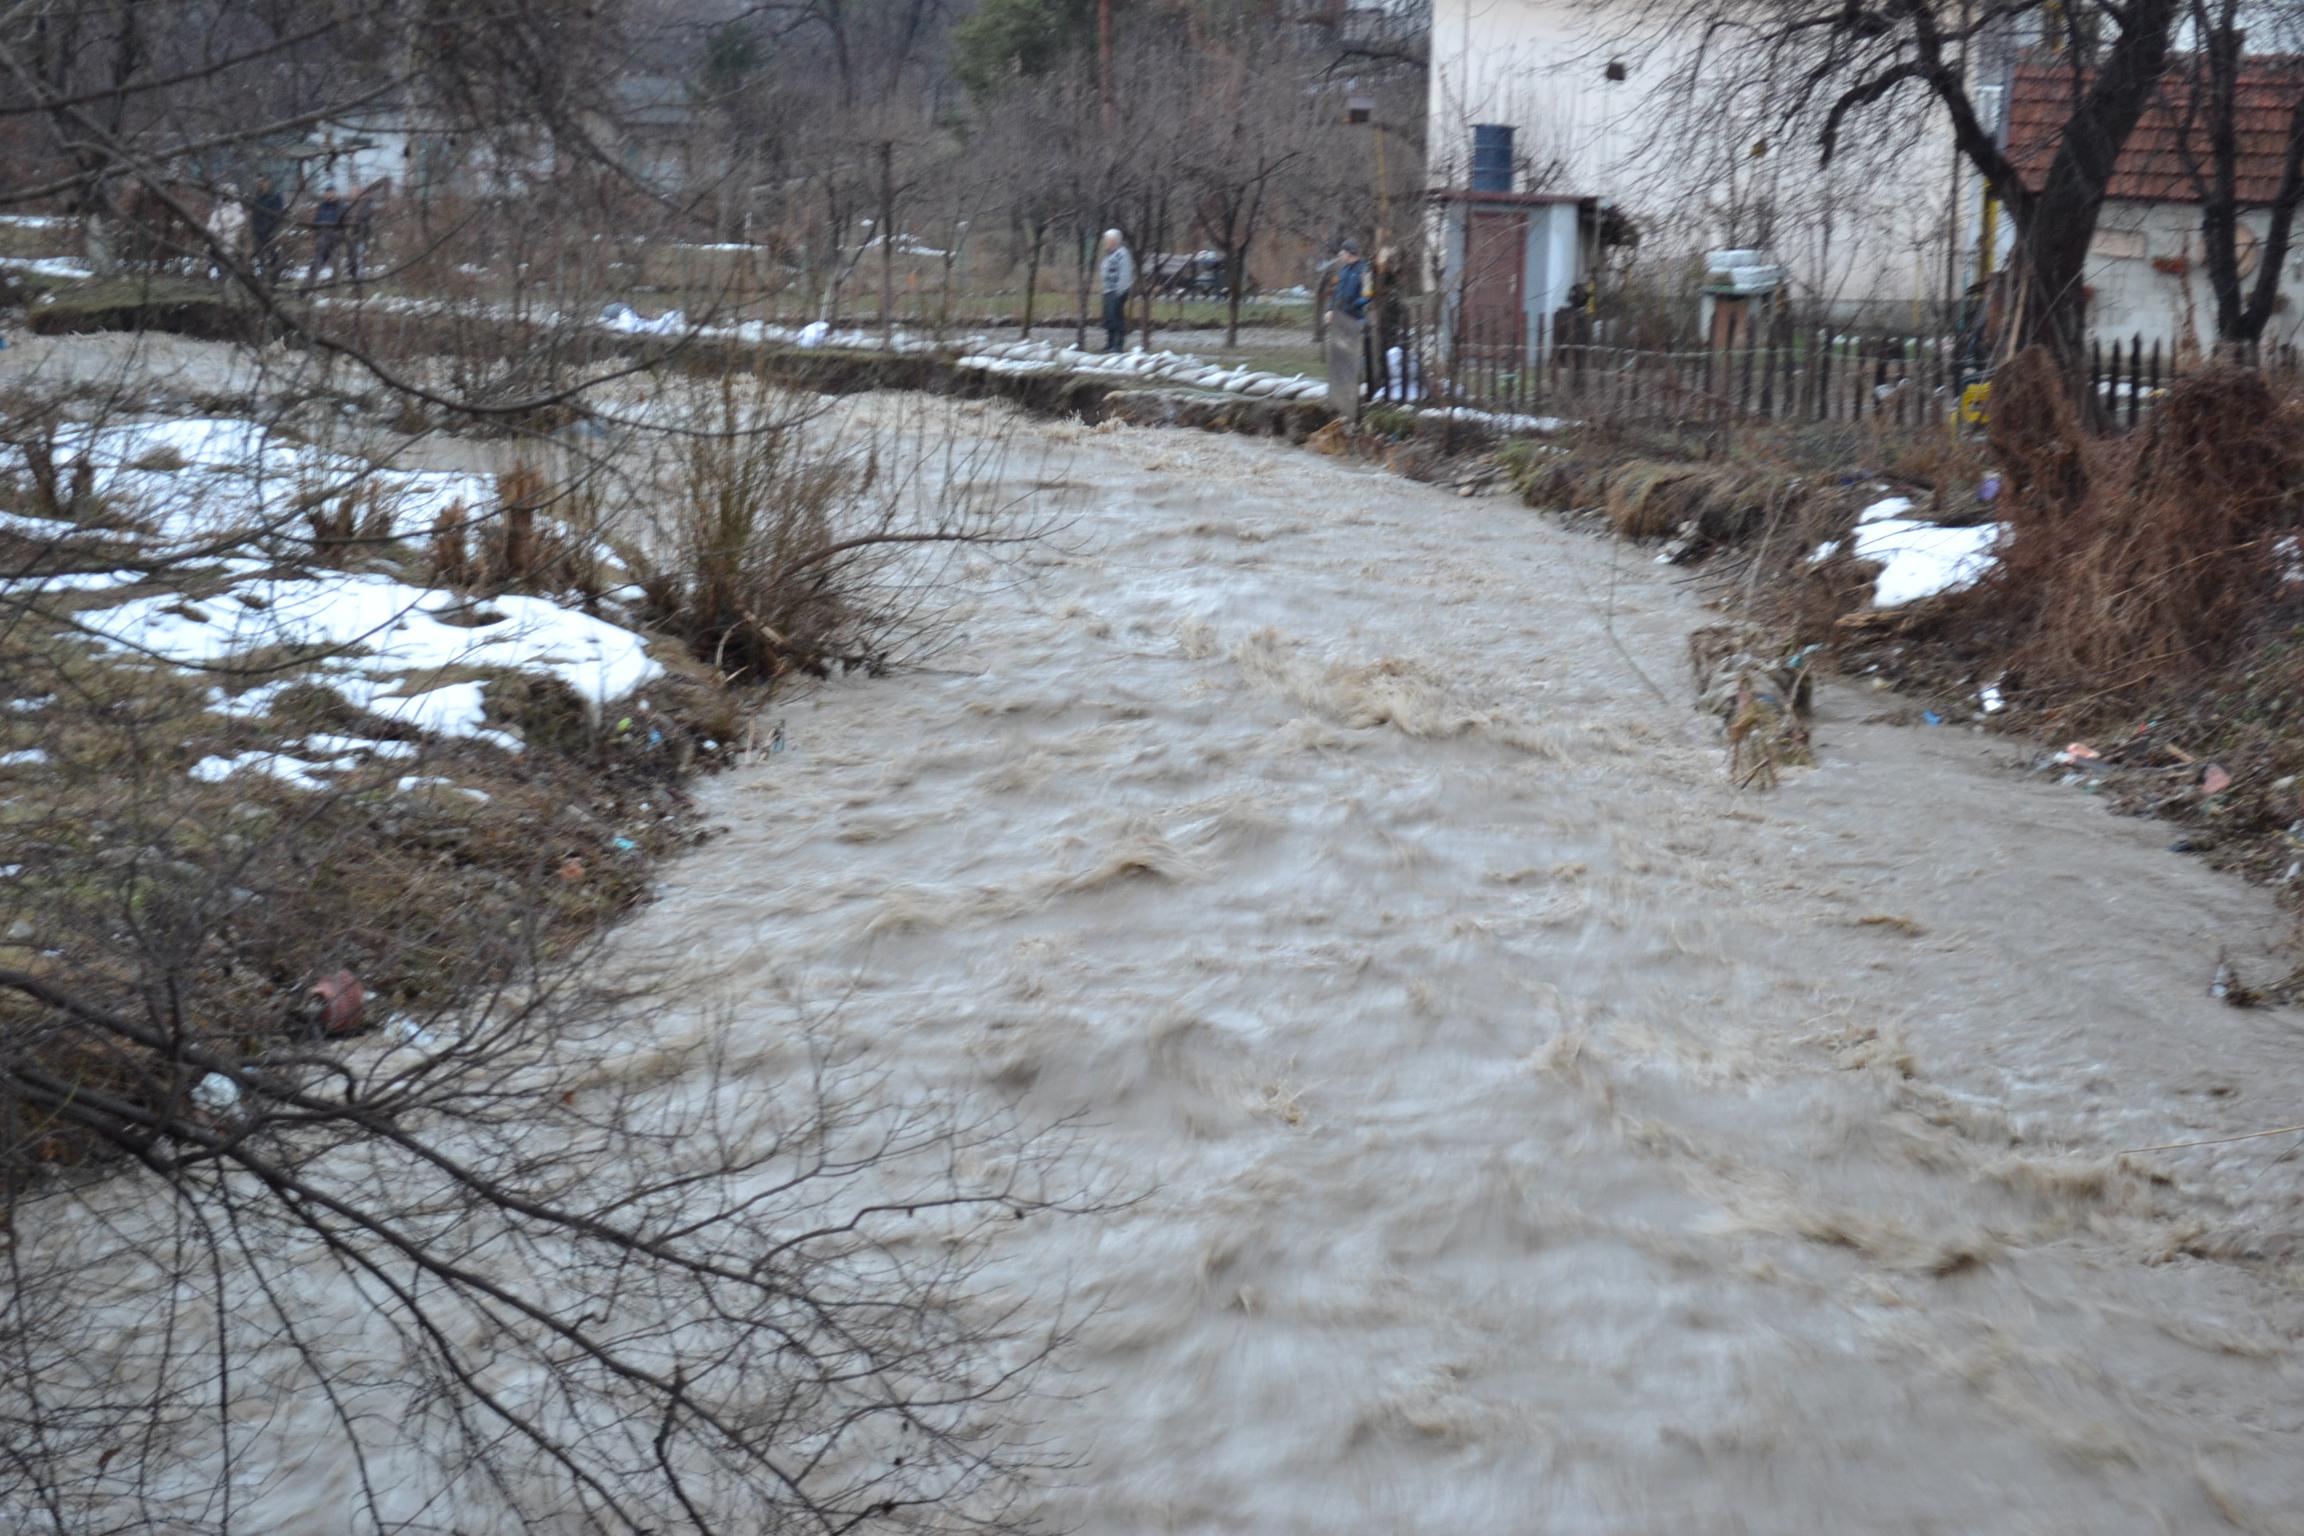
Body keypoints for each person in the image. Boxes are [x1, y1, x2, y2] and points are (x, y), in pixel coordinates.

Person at [1325, 237, 1370, 421]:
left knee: (1353, 356)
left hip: (1354, 319)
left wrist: (1353, 307)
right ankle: (1339, 394)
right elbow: (1334, 293)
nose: (1340, 255)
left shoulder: (1364, 271)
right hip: (1339, 320)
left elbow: (1368, 295)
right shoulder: (1341, 271)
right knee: (1340, 356)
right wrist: (1330, 310)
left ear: (1350, 253)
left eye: (1342, 252)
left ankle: (1355, 393)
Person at [304, 184, 348, 292]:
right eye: (327, 193)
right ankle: (305, 290)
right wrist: (315, 235)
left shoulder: (341, 206)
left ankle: (335, 293)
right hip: (322, 241)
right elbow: (316, 222)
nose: (328, 195)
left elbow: (345, 223)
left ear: (335, 193)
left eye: (331, 192)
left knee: (336, 267)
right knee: (315, 266)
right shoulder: (322, 206)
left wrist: (339, 235)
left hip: (335, 241)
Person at [1099, 228, 1134, 353]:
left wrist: (1119, 292)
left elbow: (1125, 274)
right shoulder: (1110, 254)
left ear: (1114, 241)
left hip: (1117, 291)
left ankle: (1118, 345)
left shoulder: (1122, 254)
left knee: (1116, 318)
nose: (1105, 243)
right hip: (1108, 291)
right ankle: (1109, 344)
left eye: (1107, 240)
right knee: (1108, 318)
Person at [204, 185, 248, 280]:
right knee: (211, 249)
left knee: (228, 249)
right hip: (218, 237)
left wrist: (229, 227)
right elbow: (211, 224)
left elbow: (241, 219)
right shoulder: (218, 208)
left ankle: (230, 274)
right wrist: (216, 231)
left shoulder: (236, 207)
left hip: (231, 237)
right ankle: (214, 275)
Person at [250, 176, 286, 282]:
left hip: (271, 230)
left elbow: (277, 214)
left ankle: (274, 278)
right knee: (260, 256)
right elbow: (254, 215)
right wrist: (255, 227)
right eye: (261, 183)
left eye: (265, 182)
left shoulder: (276, 197)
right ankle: (262, 278)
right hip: (259, 231)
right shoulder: (258, 197)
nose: (263, 185)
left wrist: (272, 227)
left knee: (273, 254)